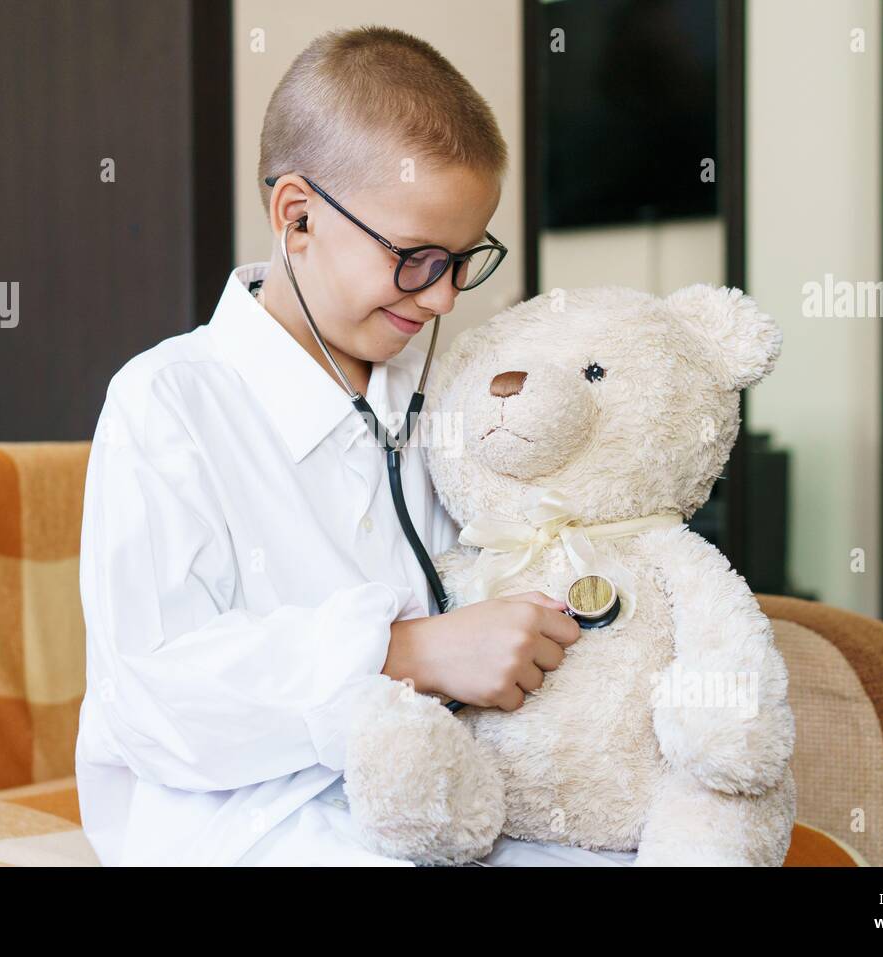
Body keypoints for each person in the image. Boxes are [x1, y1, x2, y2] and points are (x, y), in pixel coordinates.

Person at [74, 25, 638, 866]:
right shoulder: (167, 405)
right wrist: (406, 654)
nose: (444, 297)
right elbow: (157, 703)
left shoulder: (444, 399)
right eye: (415, 258)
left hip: (449, 800)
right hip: (248, 824)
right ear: (297, 217)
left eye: (463, 258)